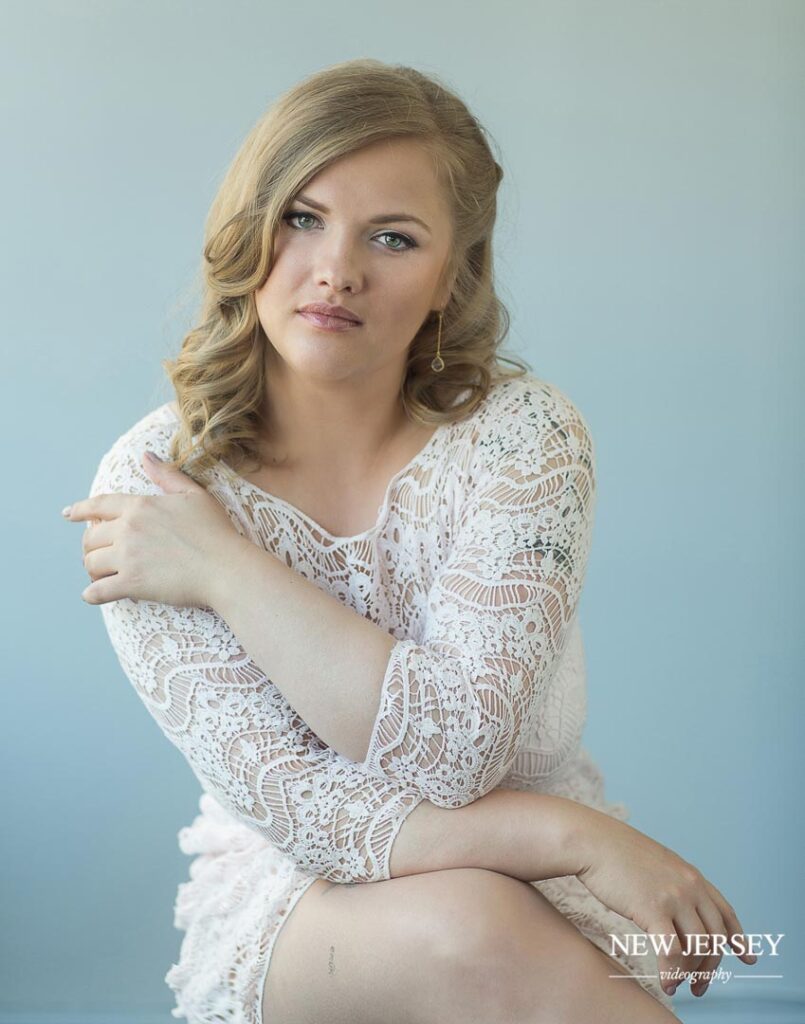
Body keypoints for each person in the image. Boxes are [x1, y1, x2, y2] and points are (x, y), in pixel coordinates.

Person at [66, 59, 755, 1024]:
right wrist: (579, 838)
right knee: (470, 931)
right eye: (301, 217)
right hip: (305, 896)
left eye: (392, 237)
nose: (336, 268)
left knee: (490, 928)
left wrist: (225, 570)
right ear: (248, 226)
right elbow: (316, 816)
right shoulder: (157, 490)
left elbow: (453, 751)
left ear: (448, 280)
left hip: (539, 889)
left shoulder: (525, 440)